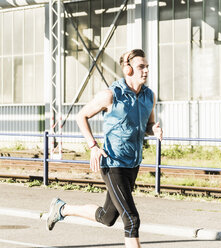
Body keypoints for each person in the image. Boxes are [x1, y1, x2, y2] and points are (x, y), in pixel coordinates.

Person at [46, 49, 163, 248]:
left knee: (107, 217)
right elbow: (81, 116)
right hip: (112, 163)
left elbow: (148, 126)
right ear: (128, 69)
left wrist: (155, 130)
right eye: (141, 67)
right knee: (132, 220)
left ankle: (61, 208)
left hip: (132, 164)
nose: (146, 71)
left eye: (147, 67)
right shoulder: (110, 95)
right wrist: (93, 146)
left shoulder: (148, 96)